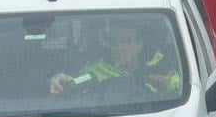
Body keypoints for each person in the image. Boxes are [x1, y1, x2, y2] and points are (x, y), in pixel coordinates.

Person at [49, 19, 181, 98]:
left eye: (126, 41)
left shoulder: (163, 66)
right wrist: (62, 80)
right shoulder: (97, 70)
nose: (119, 47)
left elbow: (181, 84)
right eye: (114, 41)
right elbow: (79, 82)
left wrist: (169, 85)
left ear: (139, 44)